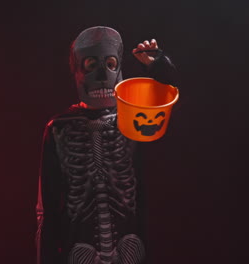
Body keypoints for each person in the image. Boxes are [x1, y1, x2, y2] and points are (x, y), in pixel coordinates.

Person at [36, 26, 177, 264]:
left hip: (132, 248)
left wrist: (160, 67)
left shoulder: (134, 119)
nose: (102, 75)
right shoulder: (59, 128)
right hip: (77, 250)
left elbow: (167, 107)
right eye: (91, 65)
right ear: (76, 70)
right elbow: (46, 209)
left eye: (111, 64)